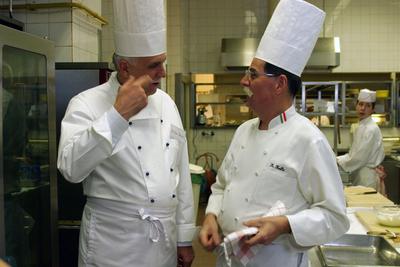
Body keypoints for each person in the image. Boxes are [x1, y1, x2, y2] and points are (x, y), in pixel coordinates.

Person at [199, 0, 349, 266]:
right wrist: (211, 216)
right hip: (229, 258)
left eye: (252, 75)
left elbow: (334, 217)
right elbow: (222, 186)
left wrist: (285, 224)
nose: (244, 81)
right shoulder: (244, 131)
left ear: (279, 84)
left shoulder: (308, 139)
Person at [57, 0, 196, 266]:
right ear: (124, 68)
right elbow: (70, 168)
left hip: (162, 242)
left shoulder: (166, 103)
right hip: (113, 244)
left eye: (163, 63)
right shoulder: (86, 103)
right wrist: (117, 116)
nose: (163, 73)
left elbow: (181, 173)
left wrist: (185, 238)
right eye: (154, 65)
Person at [337, 89, 385, 191]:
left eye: (368, 106)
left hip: (367, 177)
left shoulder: (371, 129)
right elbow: (353, 153)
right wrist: (339, 159)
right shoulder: (360, 126)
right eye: (361, 104)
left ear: (372, 109)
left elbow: (359, 158)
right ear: (356, 106)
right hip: (361, 174)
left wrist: (338, 161)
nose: (363, 108)